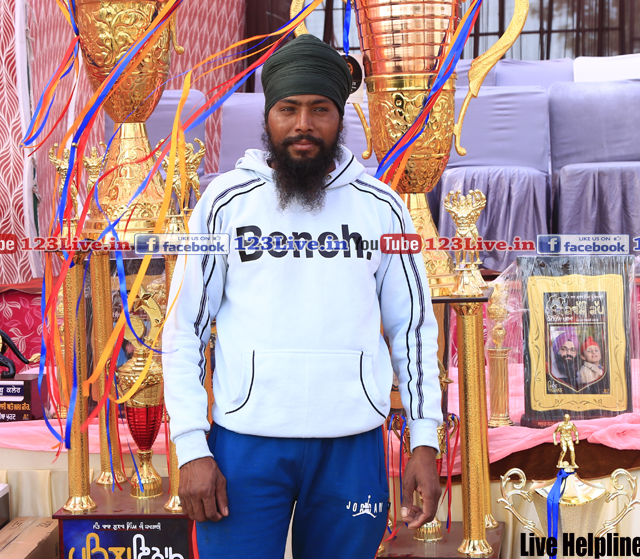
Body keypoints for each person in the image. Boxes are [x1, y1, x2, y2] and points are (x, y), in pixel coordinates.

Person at [164, 34, 443, 559]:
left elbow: (413, 331)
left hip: (351, 446)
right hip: (244, 445)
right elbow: (184, 330)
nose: (303, 125)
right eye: (288, 109)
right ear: (268, 115)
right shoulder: (223, 203)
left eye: (320, 109)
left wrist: (424, 438)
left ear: (341, 116)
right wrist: (190, 446)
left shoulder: (382, 207)